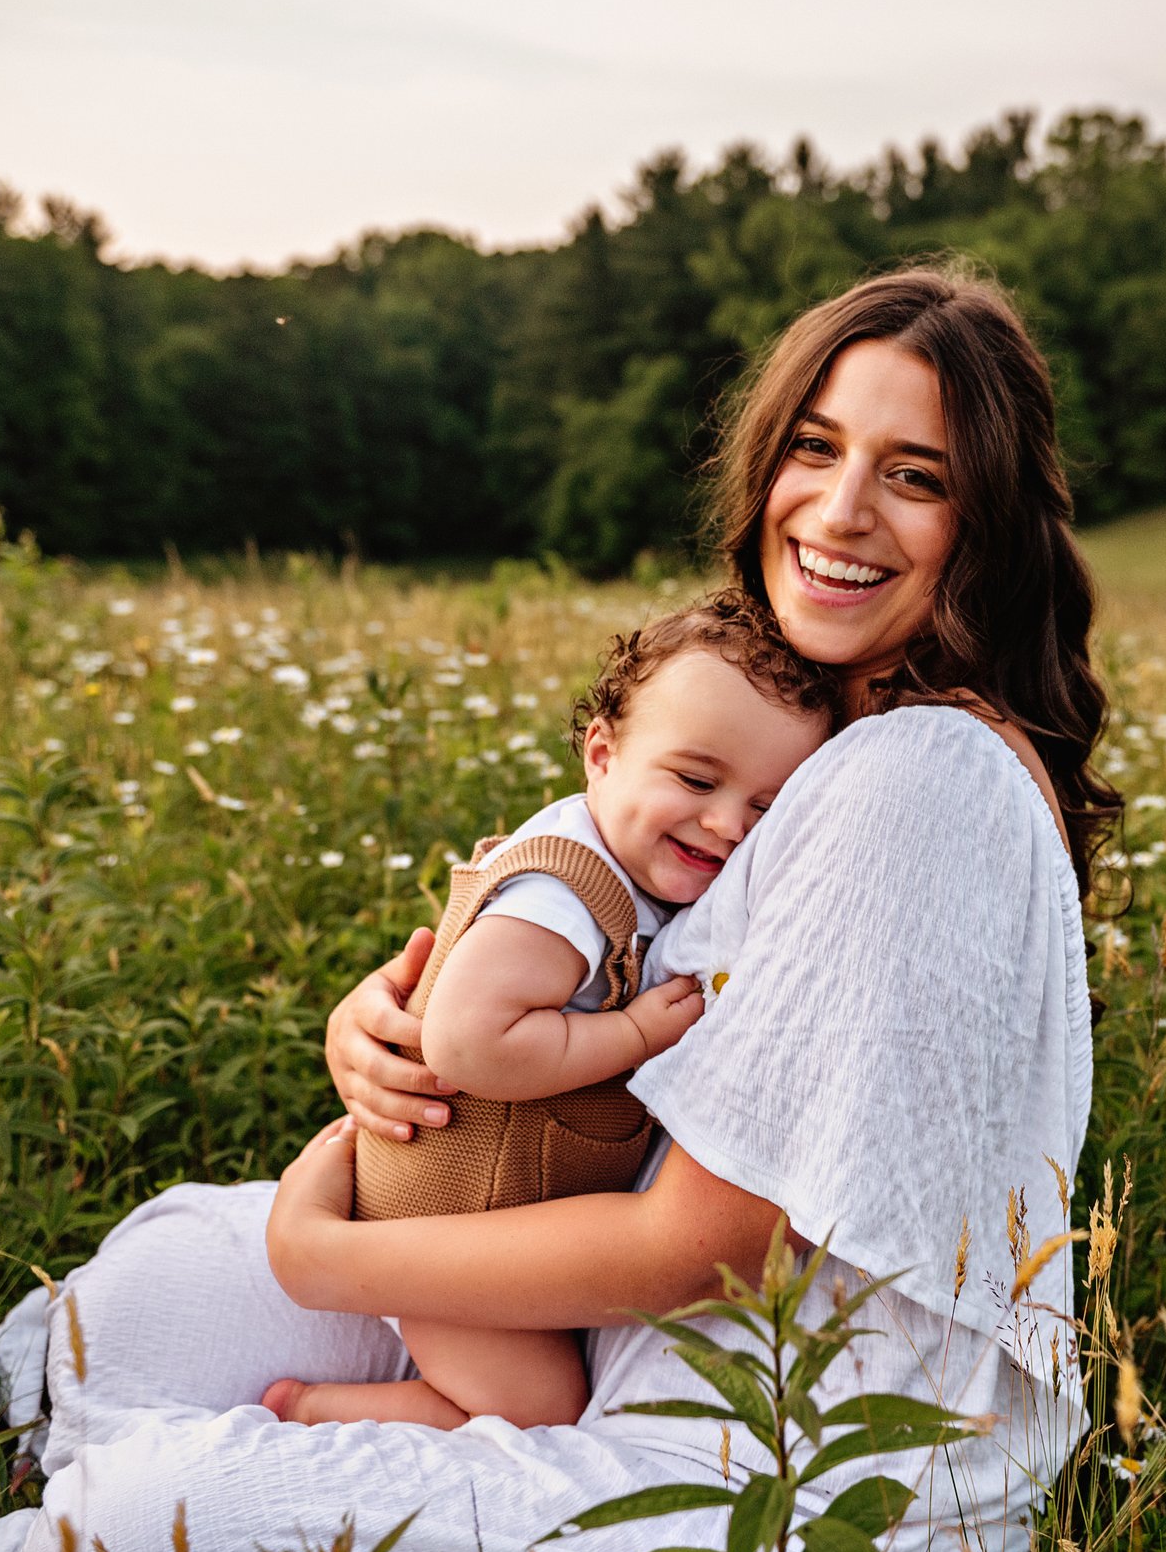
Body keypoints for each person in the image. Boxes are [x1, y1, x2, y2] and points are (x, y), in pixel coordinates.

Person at [0, 264, 1119, 1552]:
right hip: (603, 1312)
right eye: (816, 445)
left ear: (987, 524)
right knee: (145, 1302)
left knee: (144, 1515)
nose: (838, 509)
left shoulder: (917, 777)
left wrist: (331, 1257)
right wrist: (393, 1021)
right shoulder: (813, 723)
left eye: (916, 474)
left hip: (778, 1443)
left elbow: (704, 1248)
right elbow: (583, 898)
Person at [266, 592, 839, 1430]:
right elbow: (467, 1042)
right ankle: (311, 1411)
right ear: (602, 754)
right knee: (538, 1407)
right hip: (439, 1212)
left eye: (765, 807)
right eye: (695, 778)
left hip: (493, 1208)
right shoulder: (564, 895)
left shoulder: (636, 867)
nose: (726, 824)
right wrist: (633, 1032)